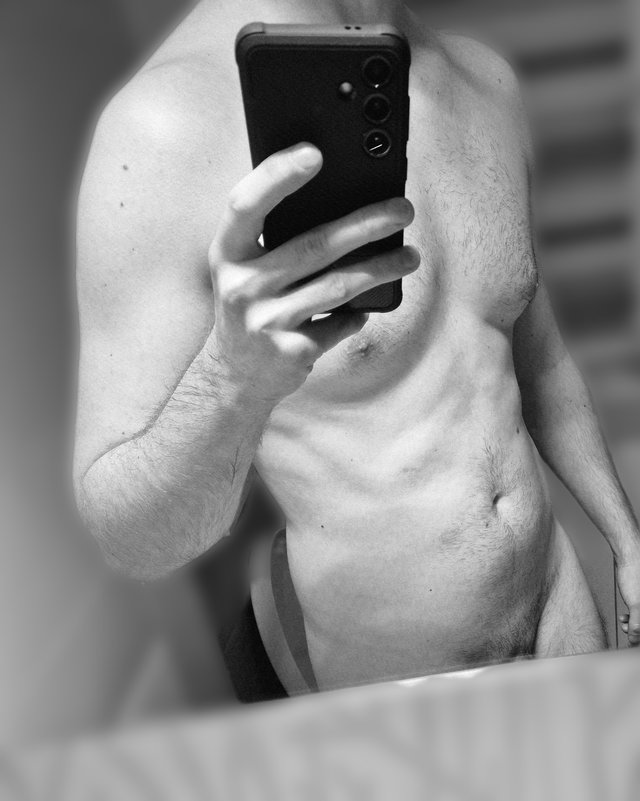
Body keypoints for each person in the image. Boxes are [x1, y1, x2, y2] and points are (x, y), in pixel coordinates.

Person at [73, 0, 640, 695]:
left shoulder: (485, 80)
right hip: (398, 675)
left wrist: (627, 538)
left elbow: (542, 365)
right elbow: (132, 541)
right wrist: (234, 377)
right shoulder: (163, 126)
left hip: (561, 610)